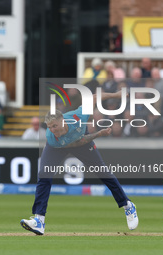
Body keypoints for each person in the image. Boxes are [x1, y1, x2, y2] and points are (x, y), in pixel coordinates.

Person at [20, 90, 138, 235]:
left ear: (63, 120)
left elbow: (94, 97)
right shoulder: (52, 137)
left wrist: (116, 94)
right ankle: (39, 220)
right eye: (49, 127)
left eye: (55, 126)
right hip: (62, 145)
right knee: (44, 175)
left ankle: (127, 205)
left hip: (82, 140)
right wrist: (99, 134)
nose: (52, 130)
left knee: (104, 173)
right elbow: (73, 143)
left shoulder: (78, 117)